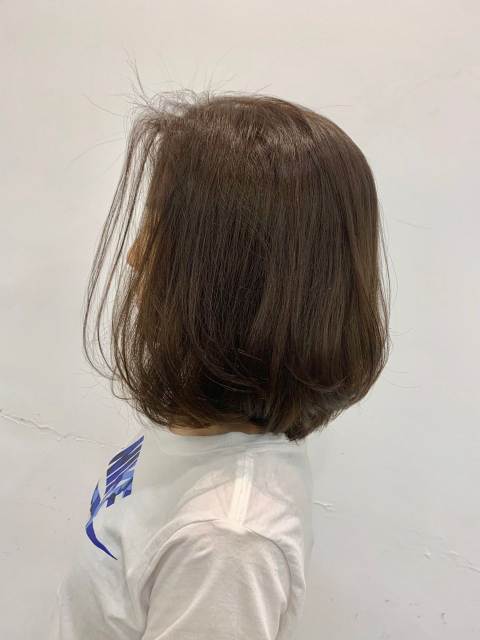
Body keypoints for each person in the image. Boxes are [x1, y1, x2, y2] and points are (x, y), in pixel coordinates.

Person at [49, 88, 391, 639]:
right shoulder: (199, 432)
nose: (135, 254)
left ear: (234, 279)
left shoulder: (226, 537)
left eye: (160, 229)